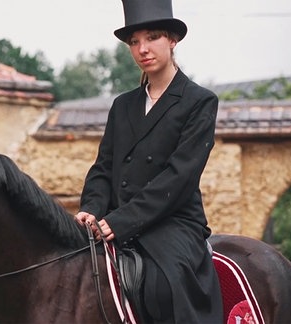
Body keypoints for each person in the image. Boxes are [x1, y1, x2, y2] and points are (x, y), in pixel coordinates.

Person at [75, 0, 223, 322]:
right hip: (112, 219)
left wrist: (121, 221)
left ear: (172, 40)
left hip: (172, 222)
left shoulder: (199, 102)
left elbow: (178, 178)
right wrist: (91, 207)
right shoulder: (122, 105)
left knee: (162, 287)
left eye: (152, 37)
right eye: (134, 42)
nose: (143, 49)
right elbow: (104, 166)